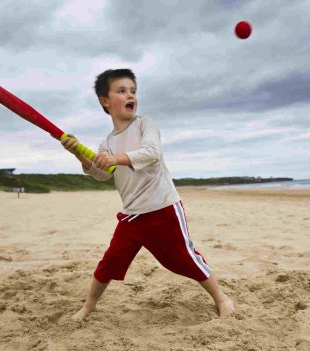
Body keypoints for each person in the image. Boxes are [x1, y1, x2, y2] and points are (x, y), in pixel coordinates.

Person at [61, 69, 235, 320]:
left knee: (184, 258)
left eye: (133, 90)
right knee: (109, 262)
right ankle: (89, 305)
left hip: (162, 208)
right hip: (132, 216)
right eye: (121, 91)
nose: (130, 95)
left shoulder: (145, 124)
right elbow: (103, 174)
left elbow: (151, 152)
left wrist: (115, 158)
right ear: (105, 101)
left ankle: (222, 298)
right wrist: (77, 153)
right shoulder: (107, 142)